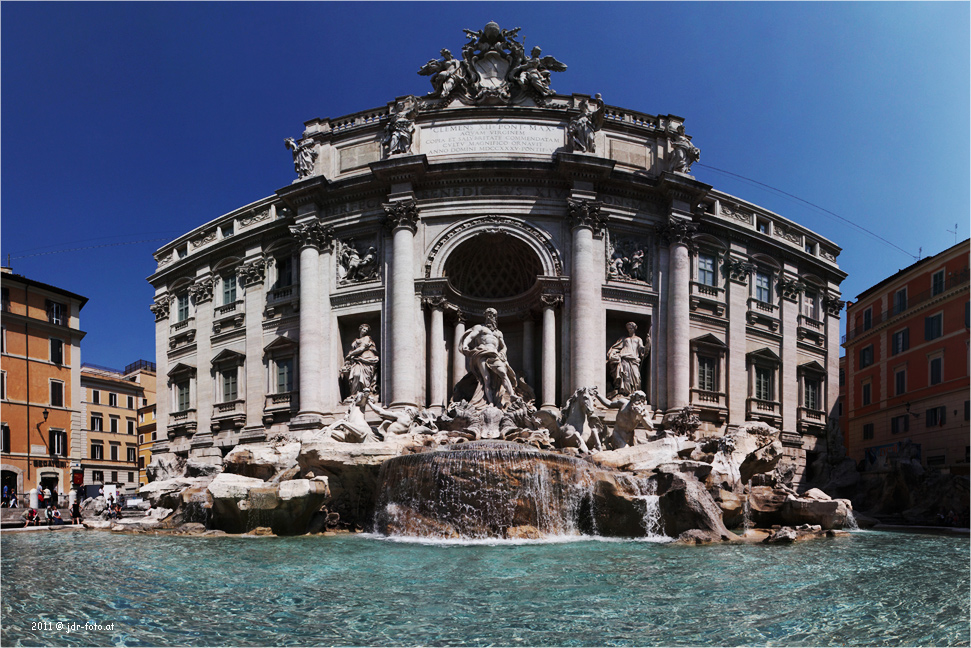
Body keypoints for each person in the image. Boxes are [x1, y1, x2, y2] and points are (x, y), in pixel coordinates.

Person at [460, 308, 521, 408]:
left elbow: (504, 346)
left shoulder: (498, 333)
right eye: (488, 314)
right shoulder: (480, 328)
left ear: (495, 318)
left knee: (503, 373)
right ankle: (490, 402)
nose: (490, 317)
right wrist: (465, 345)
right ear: (485, 316)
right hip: (482, 353)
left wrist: (502, 352)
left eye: (492, 315)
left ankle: (512, 395)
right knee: (486, 379)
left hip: (494, 354)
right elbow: (470, 337)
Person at [606, 322, 648, 397]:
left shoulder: (638, 339)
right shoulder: (624, 339)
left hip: (634, 359)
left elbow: (642, 351)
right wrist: (612, 354)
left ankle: (635, 393)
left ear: (635, 329)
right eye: (628, 329)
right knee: (625, 376)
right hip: (624, 358)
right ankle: (624, 393)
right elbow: (616, 347)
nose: (629, 330)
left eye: (631, 328)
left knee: (636, 376)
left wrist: (648, 344)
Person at [340, 324, 380, 397]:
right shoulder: (355, 340)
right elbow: (353, 349)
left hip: (366, 359)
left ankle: (365, 393)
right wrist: (349, 359)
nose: (365, 331)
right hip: (357, 360)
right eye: (364, 329)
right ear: (360, 329)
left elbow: (362, 348)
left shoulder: (367, 338)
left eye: (366, 330)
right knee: (356, 374)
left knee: (364, 377)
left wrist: (350, 355)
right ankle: (354, 394)